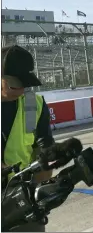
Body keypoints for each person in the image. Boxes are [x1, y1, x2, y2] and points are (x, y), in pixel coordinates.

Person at [1, 45, 54, 232]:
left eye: (26, 83)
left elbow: (44, 149)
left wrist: (39, 190)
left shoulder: (34, 104)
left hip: (22, 197)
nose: (22, 89)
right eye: (16, 84)